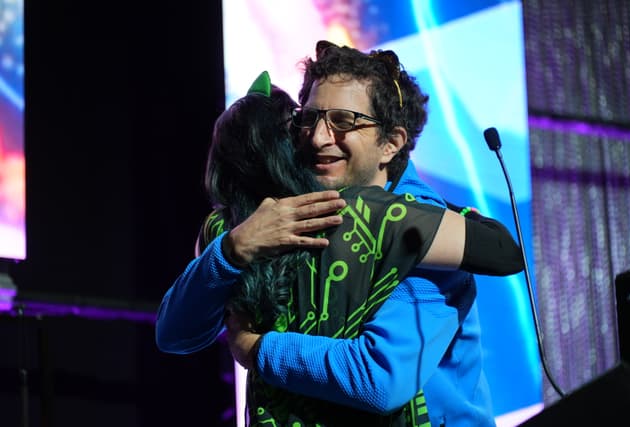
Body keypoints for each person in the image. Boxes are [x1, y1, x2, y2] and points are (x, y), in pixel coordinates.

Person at [156, 42, 519, 427]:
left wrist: (258, 348)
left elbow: (380, 379)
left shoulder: (416, 226)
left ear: (391, 143)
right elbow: (175, 334)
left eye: (344, 121)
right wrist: (231, 252)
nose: (318, 138)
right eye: (310, 118)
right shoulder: (273, 220)